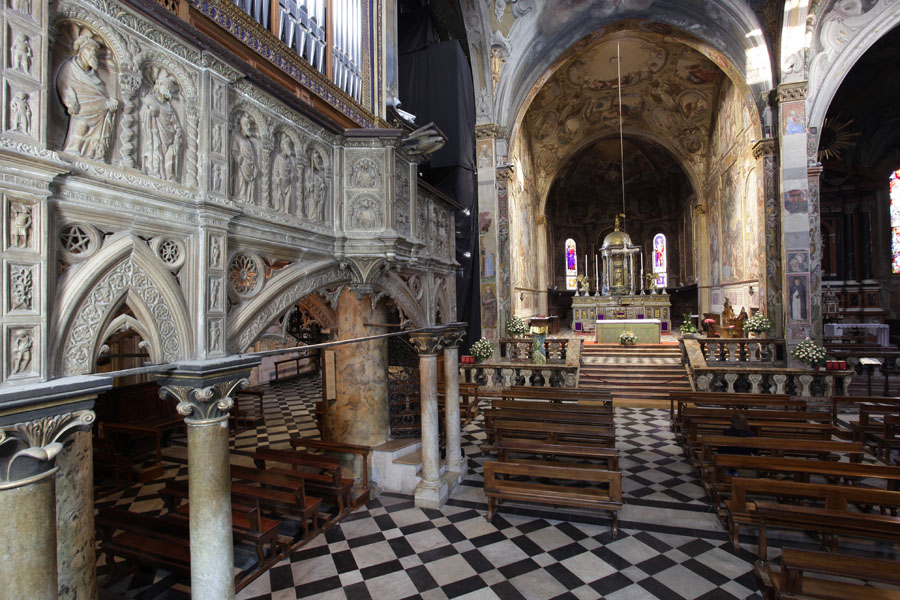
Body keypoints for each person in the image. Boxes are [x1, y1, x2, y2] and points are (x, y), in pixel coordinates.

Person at [57, 31, 119, 160]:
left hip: (99, 113)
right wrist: (70, 101)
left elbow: (99, 94)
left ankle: (92, 153)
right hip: (82, 109)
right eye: (90, 50)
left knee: (96, 136)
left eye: (94, 52)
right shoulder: (70, 68)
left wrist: (109, 102)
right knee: (81, 126)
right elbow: (65, 85)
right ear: (81, 51)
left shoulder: (94, 77)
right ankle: (74, 148)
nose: (92, 54)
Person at [140, 72, 183, 181]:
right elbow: (143, 113)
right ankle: (154, 170)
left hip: (168, 135)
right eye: (166, 86)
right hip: (154, 131)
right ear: (159, 86)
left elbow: (176, 124)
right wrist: (150, 112)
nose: (168, 89)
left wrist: (178, 135)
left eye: (170, 88)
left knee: (170, 152)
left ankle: (169, 175)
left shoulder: (169, 108)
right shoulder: (150, 99)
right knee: (156, 150)